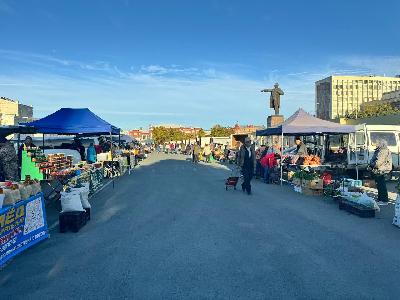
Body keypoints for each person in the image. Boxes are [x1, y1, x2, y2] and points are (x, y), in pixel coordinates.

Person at [369, 139, 392, 204]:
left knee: (381, 185)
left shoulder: (383, 151)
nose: (376, 144)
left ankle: (384, 200)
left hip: (381, 170)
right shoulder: (380, 150)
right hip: (379, 170)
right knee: (379, 185)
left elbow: (378, 163)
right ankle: (380, 199)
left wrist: (372, 164)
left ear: (381, 144)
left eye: (377, 143)